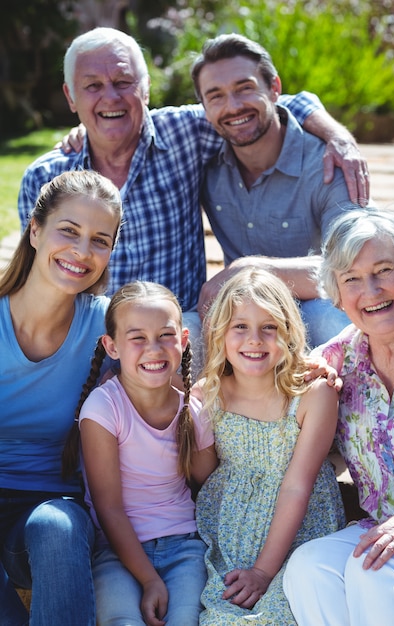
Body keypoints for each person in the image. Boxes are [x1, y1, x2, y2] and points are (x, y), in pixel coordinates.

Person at [18, 27, 369, 370]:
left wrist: (338, 135)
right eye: (92, 86)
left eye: (123, 82)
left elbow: (264, 107)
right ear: (70, 96)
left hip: (179, 330)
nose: (110, 97)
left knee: (202, 338)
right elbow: (33, 283)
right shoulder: (45, 178)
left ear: (146, 87)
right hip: (91, 333)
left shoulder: (184, 134)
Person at [283, 207, 394, 625]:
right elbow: (265, 391)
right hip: (381, 529)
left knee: (374, 571)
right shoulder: (340, 359)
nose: (371, 290)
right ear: (337, 297)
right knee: (308, 567)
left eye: (384, 270)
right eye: (352, 280)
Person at [0, 170, 123, 625]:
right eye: (68, 231)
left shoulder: (107, 325)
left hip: (48, 507)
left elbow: (174, 371)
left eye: (99, 240)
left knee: (58, 530)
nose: (81, 252)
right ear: (35, 230)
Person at [191, 33, 366, 347]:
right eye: (215, 96)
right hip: (247, 315)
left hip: (319, 307)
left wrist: (251, 269)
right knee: (187, 333)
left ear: (274, 89)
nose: (232, 106)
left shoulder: (329, 163)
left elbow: (354, 265)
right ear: (203, 108)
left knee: (331, 322)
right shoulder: (202, 160)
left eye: (245, 88)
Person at [193, 267, 346, 625]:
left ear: (289, 332)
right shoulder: (210, 394)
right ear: (219, 334)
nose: (255, 340)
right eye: (240, 327)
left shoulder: (313, 395)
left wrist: (262, 572)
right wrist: (193, 417)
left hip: (299, 530)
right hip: (229, 528)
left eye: (269, 327)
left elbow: (297, 486)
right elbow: (202, 474)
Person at [73, 281, 218, 626]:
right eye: (137, 338)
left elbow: (209, 482)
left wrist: (203, 413)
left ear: (183, 341)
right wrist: (150, 579)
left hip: (185, 547)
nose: (154, 349)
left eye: (165, 336)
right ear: (112, 346)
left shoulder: (192, 410)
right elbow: (108, 507)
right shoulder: (104, 409)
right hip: (115, 550)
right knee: (122, 620)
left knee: (185, 620)